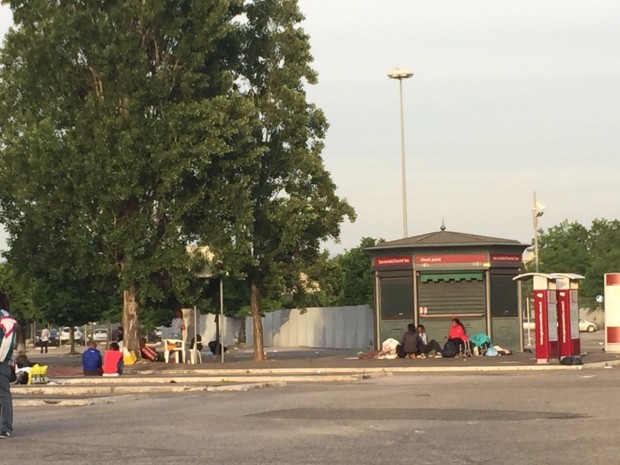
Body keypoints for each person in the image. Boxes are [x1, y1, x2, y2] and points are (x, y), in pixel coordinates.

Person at [0, 292, 16, 438]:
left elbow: (8, 340)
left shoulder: (6, 318)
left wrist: (1, 358)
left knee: (3, 394)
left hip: (1, 362)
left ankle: (5, 427)